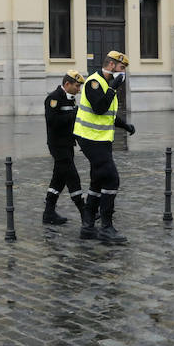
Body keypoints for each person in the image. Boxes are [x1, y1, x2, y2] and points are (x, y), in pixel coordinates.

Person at [74, 51, 136, 243]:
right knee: (111, 179)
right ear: (110, 65)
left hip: (101, 139)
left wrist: (124, 125)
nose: (123, 72)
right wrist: (114, 87)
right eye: (121, 68)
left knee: (98, 180)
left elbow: (107, 114)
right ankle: (106, 227)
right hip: (90, 139)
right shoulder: (94, 82)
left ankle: (88, 226)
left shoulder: (106, 84)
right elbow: (99, 107)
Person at [43, 71, 88, 226]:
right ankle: (84, 212)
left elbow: (72, 125)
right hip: (58, 146)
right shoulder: (54, 98)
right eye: (77, 86)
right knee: (72, 177)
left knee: (59, 179)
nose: (79, 90)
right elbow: (52, 121)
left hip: (68, 144)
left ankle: (48, 213)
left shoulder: (70, 99)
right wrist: (73, 114)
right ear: (67, 84)